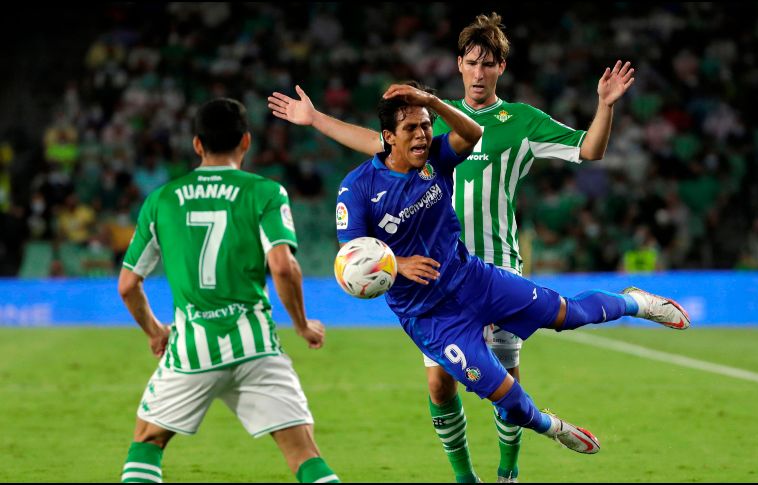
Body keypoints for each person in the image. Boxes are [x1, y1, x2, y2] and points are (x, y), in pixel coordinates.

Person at [267, 12, 635, 483]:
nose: (479, 73)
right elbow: (376, 145)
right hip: (430, 280)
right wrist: (315, 118)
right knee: (441, 385)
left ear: (501, 66)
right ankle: (465, 477)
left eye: (489, 63)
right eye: (471, 62)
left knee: (506, 382)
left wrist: (604, 106)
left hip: (492, 265)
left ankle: (508, 471)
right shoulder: (427, 132)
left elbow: (589, 150)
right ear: (459, 64)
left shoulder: (518, 121)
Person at [335, 81, 689, 478]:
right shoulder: (358, 188)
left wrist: (431, 102)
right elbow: (349, 259)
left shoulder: (438, 156)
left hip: (475, 279)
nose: (421, 135)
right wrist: (397, 265)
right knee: (509, 400)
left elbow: (473, 133)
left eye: (425, 126)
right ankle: (552, 428)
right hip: (433, 319)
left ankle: (636, 302)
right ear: (388, 138)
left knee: (567, 314)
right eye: (411, 129)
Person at [117, 98, 339, 484]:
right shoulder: (265, 192)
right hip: (256, 346)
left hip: (191, 350)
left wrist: (155, 332)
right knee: (303, 454)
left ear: (197, 145)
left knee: (148, 440)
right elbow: (283, 266)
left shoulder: (161, 200)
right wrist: (301, 325)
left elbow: (128, 284)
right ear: (246, 142)